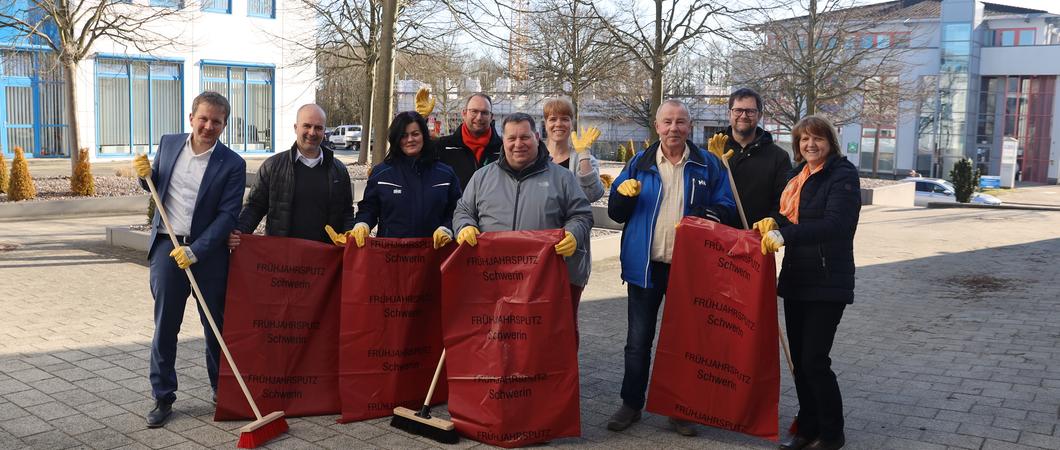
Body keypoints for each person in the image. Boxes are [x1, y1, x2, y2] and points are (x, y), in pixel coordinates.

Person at [605, 99, 736, 437]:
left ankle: (680, 409)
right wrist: (623, 193)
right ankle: (631, 403)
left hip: (690, 270)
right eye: (668, 122)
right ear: (657, 126)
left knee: (685, 342)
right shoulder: (639, 162)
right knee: (638, 341)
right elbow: (617, 212)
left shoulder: (708, 164)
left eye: (680, 122)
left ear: (689, 127)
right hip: (646, 267)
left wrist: (710, 216)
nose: (674, 128)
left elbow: (727, 207)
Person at [131, 91, 247, 428]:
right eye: (204, 118)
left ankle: (221, 391)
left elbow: (228, 216)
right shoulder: (168, 144)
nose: (209, 126)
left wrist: (197, 250)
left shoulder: (233, 163)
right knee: (166, 326)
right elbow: (155, 183)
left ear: (224, 125)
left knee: (215, 327)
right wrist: (143, 175)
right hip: (168, 249)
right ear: (191, 117)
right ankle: (162, 396)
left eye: (217, 121)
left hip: (207, 255)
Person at [756, 115, 861, 450]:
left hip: (828, 279)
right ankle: (808, 426)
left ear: (830, 141)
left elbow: (835, 225)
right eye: (804, 140)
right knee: (799, 361)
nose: (810, 145)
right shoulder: (797, 176)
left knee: (816, 359)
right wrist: (773, 220)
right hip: (797, 279)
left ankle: (832, 433)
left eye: (817, 138)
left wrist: (784, 234)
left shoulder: (842, 175)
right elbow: (788, 216)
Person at [451, 112, 593, 320]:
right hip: (492, 278)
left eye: (525, 137)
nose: (518, 144)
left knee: (548, 340)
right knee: (496, 341)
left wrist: (573, 234)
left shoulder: (562, 178)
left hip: (545, 280)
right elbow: (463, 210)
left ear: (536, 137)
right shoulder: (482, 177)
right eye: (512, 138)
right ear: (503, 141)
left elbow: (581, 215)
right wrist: (464, 226)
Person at [228, 104, 355, 247]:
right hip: (283, 259)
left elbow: (346, 212)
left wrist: (350, 240)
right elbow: (255, 207)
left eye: (318, 128)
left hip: (326, 259)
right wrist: (240, 231)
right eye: (306, 126)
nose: (312, 132)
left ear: (324, 131)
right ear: (296, 128)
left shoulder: (338, 170)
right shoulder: (273, 166)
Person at [344, 111, 462, 248]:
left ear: (424, 135)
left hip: (435, 255)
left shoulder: (445, 174)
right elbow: (369, 208)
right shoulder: (381, 174)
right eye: (404, 136)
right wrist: (362, 224)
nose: (410, 139)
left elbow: (457, 209)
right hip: (392, 257)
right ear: (396, 139)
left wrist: (447, 227)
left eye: (415, 134)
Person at [541, 97, 606, 325]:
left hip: (571, 249)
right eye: (553, 119)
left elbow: (593, 194)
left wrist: (585, 154)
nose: (559, 124)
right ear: (545, 123)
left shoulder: (582, 156)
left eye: (565, 119)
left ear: (572, 123)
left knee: (567, 320)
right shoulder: (535, 156)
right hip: (539, 247)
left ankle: (567, 362)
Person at [709, 87, 792, 226]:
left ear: (759, 115)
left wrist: (772, 223)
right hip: (718, 239)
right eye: (738, 110)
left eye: (750, 111)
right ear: (729, 113)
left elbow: (784, 203)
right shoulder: (712, 152)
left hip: (757, 240)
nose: (743, 115)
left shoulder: (778, 157)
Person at [438, 93, 503, 189]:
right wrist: (422, 119)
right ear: (464, 113)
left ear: (491, 117)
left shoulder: (503, 149)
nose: (479, 117)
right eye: (474, 111)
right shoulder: (442, 146)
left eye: (484, 113)